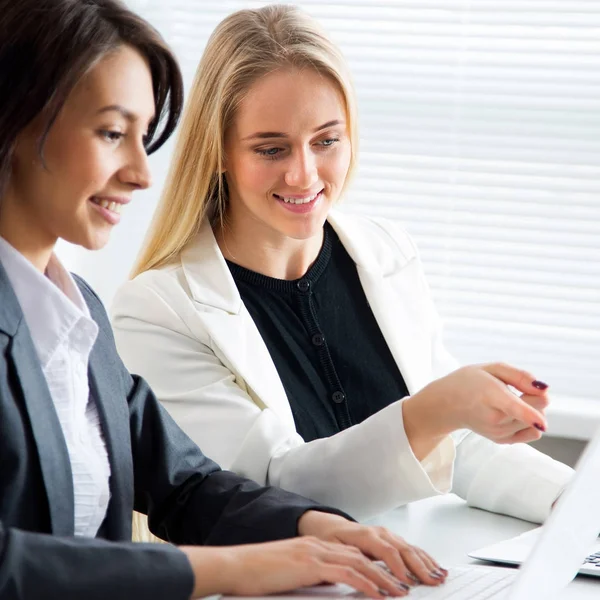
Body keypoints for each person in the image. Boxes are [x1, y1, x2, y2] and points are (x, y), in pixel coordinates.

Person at [0, 1, 451, 598]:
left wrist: (317, 530)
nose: (141, 173)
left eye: (143, 136)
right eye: (112, 133)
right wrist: (231, 570)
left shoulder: (76, 310)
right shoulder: (142, 305)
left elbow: (185, 484)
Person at [111, 5, 573, 526]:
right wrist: (433, 410)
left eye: (326, 140)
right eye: (271, 148)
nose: (304, 175)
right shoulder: (155, 312)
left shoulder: (385, 251)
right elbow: (271, 493)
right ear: (217, 150)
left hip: (422, 569)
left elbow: (461, 447)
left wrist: (580, 506)